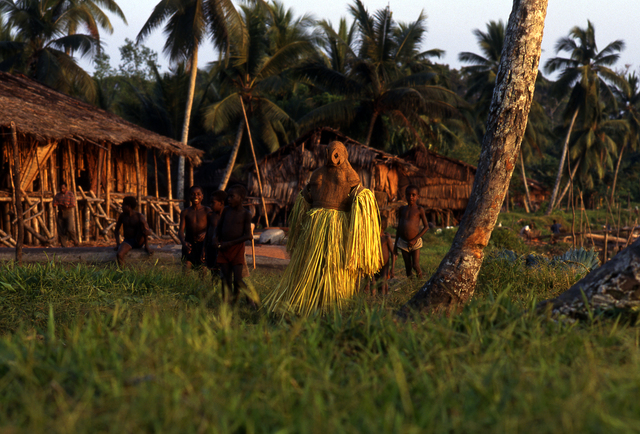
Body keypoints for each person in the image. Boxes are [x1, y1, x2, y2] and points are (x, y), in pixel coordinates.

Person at [264, 141, 383, 316]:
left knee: (333, 266)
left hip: (329, 225)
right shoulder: (323, 174)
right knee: (313, 263)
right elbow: (307, 197)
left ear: (343, 154)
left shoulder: (347, 175)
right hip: (317, 226)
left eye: (337, 152)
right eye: (332, 152)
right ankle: (312, 304)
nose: (334, 155)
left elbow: (357, 196)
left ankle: (330, 304)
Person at [216, 185, 253, 304]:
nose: (229, 199)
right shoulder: (226, 210)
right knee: (225, 279)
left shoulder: (246, 214)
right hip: (224, 248)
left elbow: (248, 235)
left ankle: (249, 296)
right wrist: (214, 238)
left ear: (241, 198)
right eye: (228, 196)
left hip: (237, 249)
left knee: (237, 280)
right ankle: (228, 303)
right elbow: (219, 227)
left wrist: (230, 243)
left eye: (232, 196)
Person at [394, 185, 428, 279]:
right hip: (403, 242)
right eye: (408, 195)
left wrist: (414, 239)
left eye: (413, 195)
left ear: (418, 196)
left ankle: (420, 282)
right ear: (405, 195)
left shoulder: (419, 209)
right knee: (408, 267)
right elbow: (399, 228)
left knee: (415, 265)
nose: (411, 197)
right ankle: (411, 287)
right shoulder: (402, 209)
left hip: (415, 242)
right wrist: (395, 245)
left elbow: (426, 227)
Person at [178, 186, 211, 271]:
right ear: (189, 196)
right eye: (193, 194)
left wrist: (206, 233)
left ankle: (201, 285)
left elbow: (213, 227)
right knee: (186, 267)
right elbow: (181, 230)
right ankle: (185, 285)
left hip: (203, 244)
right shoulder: (185, 212)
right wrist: (183, 242)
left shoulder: (207, 211)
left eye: (198, 194)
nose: (196, 197)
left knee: (203, 269)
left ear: (202, 196)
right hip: (189, 244)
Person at [114, 196, 152, 267]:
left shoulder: (139, 216)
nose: (121, 207)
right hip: (128, 241)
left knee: (142, 223)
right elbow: (116, 230)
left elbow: (146, 231)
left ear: (129, 206)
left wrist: (147, 246)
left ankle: (146, 246)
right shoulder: (122, 216)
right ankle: (124, 273)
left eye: (123, 205)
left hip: (138, 240)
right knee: (119, 254)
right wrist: (118, 244)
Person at [365, 215, 396, 296]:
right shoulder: (371, 239)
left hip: (384, 266)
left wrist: (392, 269)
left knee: (382, 282)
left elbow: (393, 253)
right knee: (373, 282)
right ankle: (374, 302)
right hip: (374, 265)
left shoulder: (386, 238)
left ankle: (382, 301)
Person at [206, 190, 227, 281]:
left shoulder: (227, 216)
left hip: (222, 247)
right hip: (211, 247)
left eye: (213, 203)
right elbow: (208, 232)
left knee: (223, 271)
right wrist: (204, 248)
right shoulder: (211, 215)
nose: (210, 205)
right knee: (213, 271)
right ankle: (213, 289)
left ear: (221, 203)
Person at [52, 182, 78, 247]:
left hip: (68, 213)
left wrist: (67, 206)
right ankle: (64, 246)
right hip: (60, 213)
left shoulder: (70, 194)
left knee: (69, 229)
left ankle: (75, 239)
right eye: (61, 188)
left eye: (63, 188)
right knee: (60, 231)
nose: (62, 190)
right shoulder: (57, 195)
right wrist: (55, 204)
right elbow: (54, 204)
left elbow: (73, 204)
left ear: (66, 188)